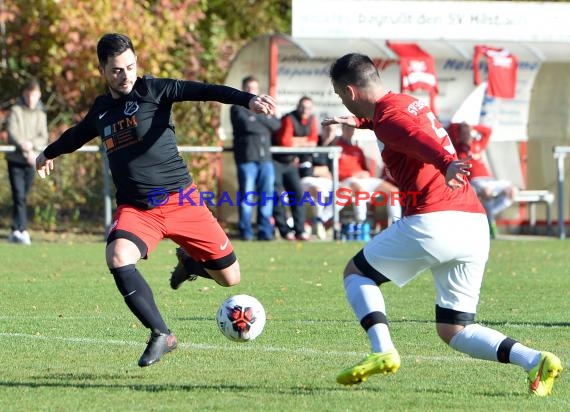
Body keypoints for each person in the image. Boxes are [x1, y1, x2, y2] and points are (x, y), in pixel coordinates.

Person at [322, 53, 561, 396]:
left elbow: (415, 139)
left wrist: (447, 162)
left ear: (350, 91)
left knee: (357, 274)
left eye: (340, 95)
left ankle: (382, 350)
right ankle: (536, 360)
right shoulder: (406, 102)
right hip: (474, 226)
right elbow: (402, 128)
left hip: (433, 221)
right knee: (455, 329)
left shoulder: (389, 121)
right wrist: (360, 123)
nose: (341, 101)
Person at [35, 33, 276, 368]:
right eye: (117, 70)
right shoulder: (102, 110)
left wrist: (247, 99)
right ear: (103, 69)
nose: (126, 75)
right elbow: (77, 134)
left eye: (131, 66)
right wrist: (48, 152)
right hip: (138, 210)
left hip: (183, 202)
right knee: (118, 257)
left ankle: (191, 264)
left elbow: (205, 90)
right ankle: (162, 333)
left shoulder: (154, 90)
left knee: (230, 278)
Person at [230, 75, 281, 241]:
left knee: (266, 197)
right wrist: (264, 118)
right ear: (243, 89)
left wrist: (259, 119)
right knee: (247, 197)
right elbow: (247, 125)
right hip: (247, 159)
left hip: (265, 159)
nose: (252, 91)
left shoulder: (265, 108)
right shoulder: (237, 107)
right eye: (248, 88)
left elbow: (277, 125)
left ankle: (265, 231)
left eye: (254, 88)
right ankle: (246, 232)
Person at [447, 122, 518, 238]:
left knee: (512, 190)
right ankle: (491, 225)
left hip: (489, 179)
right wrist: (461, 126)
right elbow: (451, 128)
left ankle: (485, 216)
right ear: (459, 135)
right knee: (487, 191)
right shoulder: (457, 148)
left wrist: (473, 127)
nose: (467, 135)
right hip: (475, 181)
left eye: (468, 132)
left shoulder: (478, 144)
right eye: (464, 133)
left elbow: (488, 131)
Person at [6, 78, 49, 245]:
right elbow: (13, 132)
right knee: (19, 195)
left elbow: (43, 136)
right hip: (16, 160)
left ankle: (15, 229)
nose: (31, 99)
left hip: (32, 161)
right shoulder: (16, 111)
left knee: (23, 196)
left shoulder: (41, 114)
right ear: (25, 95)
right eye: (28, 95)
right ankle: (22, 230)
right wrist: (24, 147)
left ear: (38, 95)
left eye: (34, 96)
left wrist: (31, 146)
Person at [336, 123, 402, 228]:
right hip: (347, 181)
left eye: (352, 129)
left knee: (393, 191)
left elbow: (365, 169)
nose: (350, 131)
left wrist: (366, 173)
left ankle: (396, 224)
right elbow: (334, 171)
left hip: (362, 180)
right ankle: (360, 222)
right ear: (342, 130)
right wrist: (353, 174)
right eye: (347, 129)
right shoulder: (337, 148)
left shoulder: (358, 149)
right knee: (359, 189)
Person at [272, 96, 318, 240]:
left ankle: (300, 230)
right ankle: (285, 231)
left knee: (298, 194)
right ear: (298, 107)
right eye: (302, 107)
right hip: (276, 162)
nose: (305, 110)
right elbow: (285, 142)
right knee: (278, 196)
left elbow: (314, 141)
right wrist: (303, 142)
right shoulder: (289, 118)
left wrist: (296, 141)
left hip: (291, 162)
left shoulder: (312, 120)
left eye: (308, 108)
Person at [300, 122, 338, 240]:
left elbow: (335, 173)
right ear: (322, 129)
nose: (329, 132)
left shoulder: (336, 147)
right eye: (326, 129)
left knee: (344, 192)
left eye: (332, 129)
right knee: (318, 190)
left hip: (328, 182)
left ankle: (320, 220)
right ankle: (318, 223)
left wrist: (323, 171)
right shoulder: (313, 143)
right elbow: (305, 170)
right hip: (309, 180)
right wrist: (323, 170)